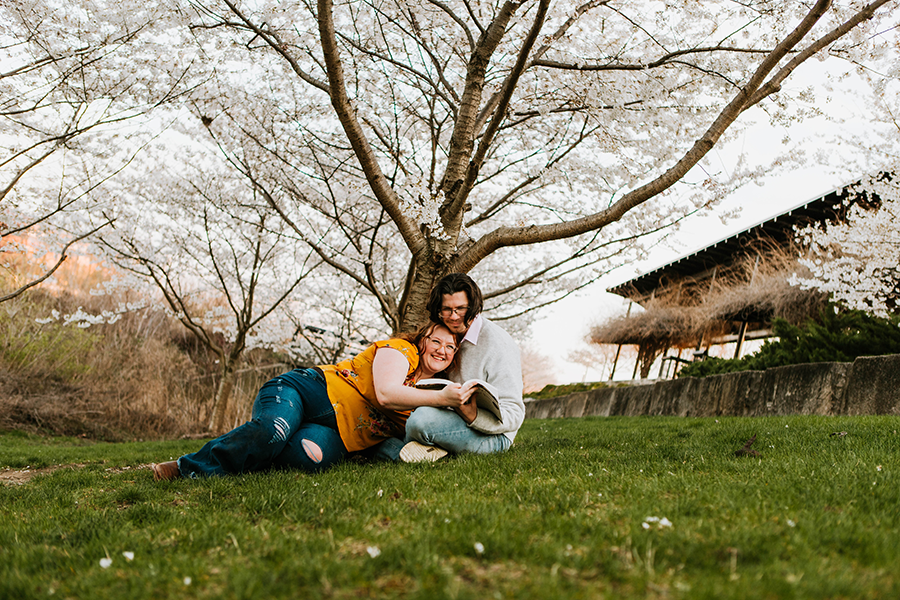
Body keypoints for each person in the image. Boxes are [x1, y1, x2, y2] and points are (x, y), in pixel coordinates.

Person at [151, 322, 474, 480]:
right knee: (272, 431)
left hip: (338, 435)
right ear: (422, 340)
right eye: (436, 341)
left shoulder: (434, 390)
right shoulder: (400, 351)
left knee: (311, 460)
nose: (442, 350)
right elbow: (386, 394)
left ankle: (256, 452)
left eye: (451, 347)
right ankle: (187, 467)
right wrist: (440, 397)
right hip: (309, 390)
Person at [398, 273, 525, 462]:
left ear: (473, 306)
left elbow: (515, 413)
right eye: (446, 309)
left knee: (420, 420)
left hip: (492, 437)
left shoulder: (497, 343)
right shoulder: (444, 335)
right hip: (450, 420)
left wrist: (473, 415)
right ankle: (422, 452)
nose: (454, 316)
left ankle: (409, 454)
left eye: (461, 309)